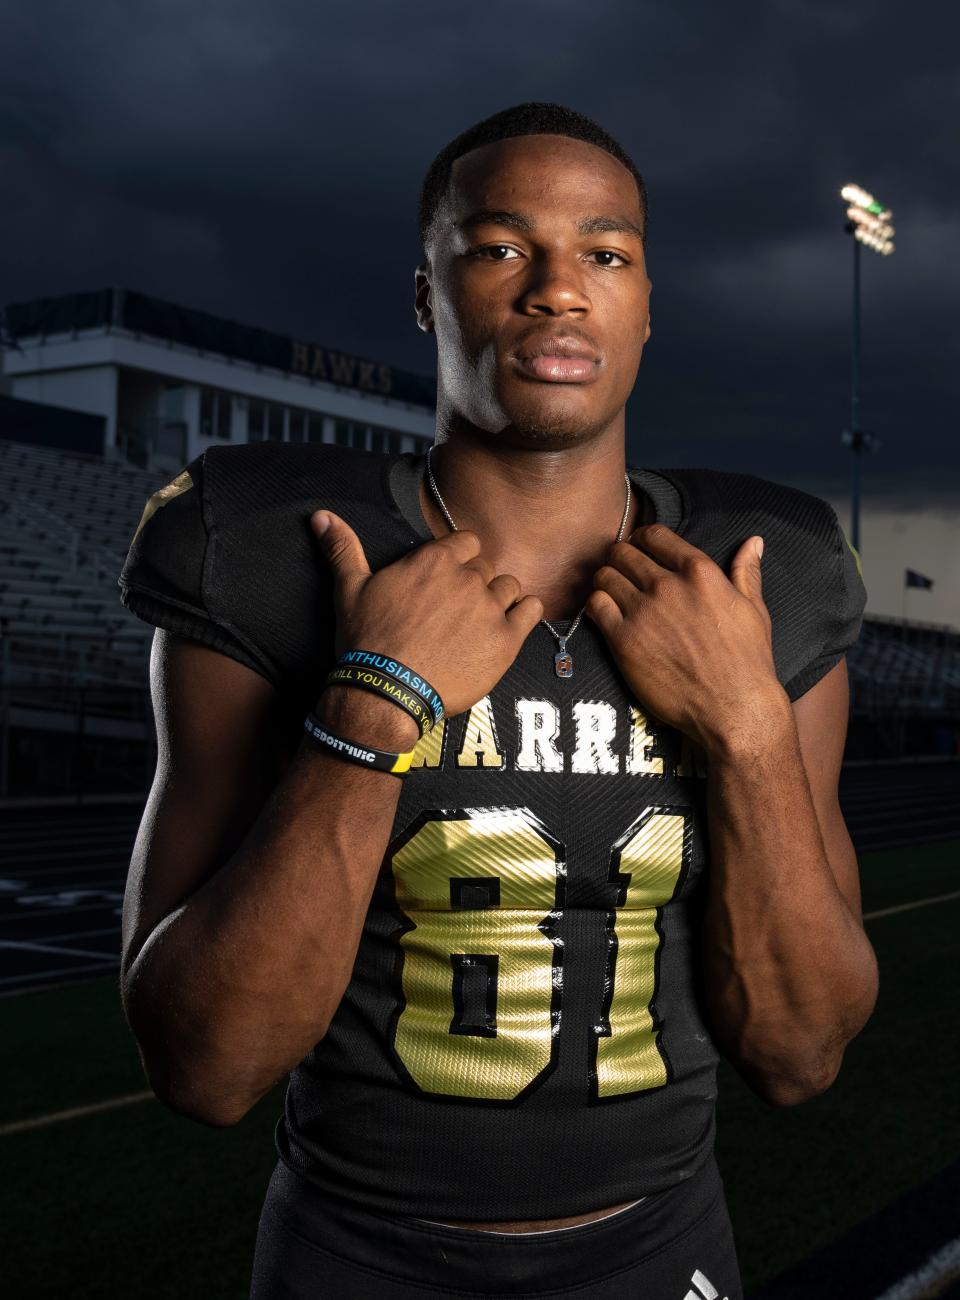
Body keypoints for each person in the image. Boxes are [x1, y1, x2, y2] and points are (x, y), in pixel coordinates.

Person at [117, 101, 879, 1299]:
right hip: (355, 1252)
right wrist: (373, 707)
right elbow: (205, 1068)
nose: (557, 289)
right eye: (499, 246)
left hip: (662, 1246)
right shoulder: (265, 545)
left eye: (605, 253)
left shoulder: (764, 573)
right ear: (426, 290)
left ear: (643, 303)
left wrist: (744, 730)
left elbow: (800, 1053)